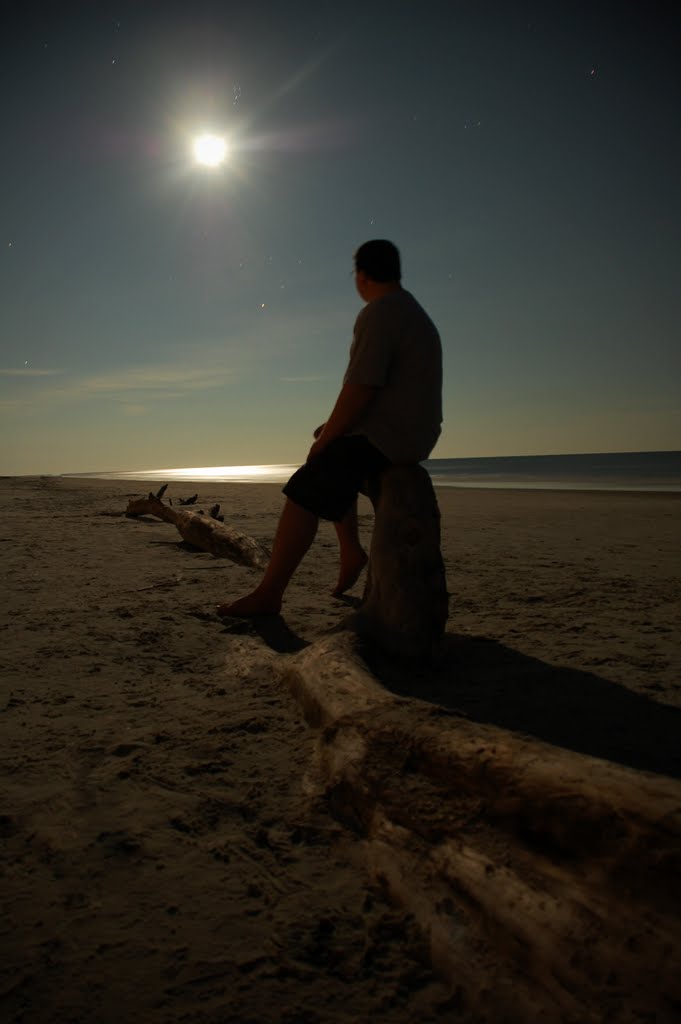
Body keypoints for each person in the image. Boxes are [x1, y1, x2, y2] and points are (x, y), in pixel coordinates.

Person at [217, 239, 442, 618]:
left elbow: (361, 386)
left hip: (390, 438)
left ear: (362, 275)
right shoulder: (412, 311)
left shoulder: (380, 312)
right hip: (413, 431)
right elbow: (382, 390)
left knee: (304, 487)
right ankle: (350, 549)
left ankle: (269, 594)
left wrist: (327, 440)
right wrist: (332, 430)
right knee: (332, 446)